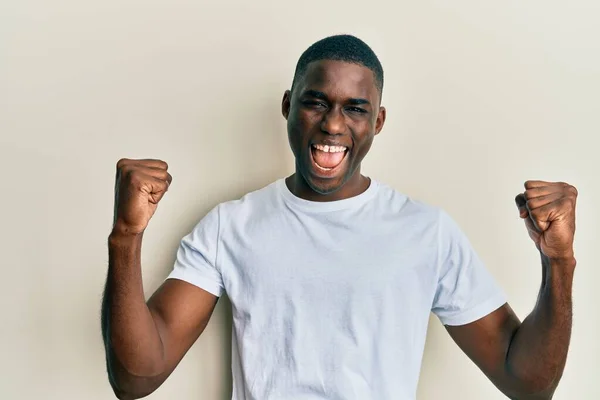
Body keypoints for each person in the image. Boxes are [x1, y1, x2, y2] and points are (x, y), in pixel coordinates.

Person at [101, 35, 578, 400]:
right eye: (316, 102)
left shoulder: (425, 232)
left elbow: (527, 383)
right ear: (289, 105)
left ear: (378, 122)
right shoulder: (232, 225)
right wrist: (126, 236)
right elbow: (137, 377)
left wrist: (559, 263)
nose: (333, 124)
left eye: (355, 109)